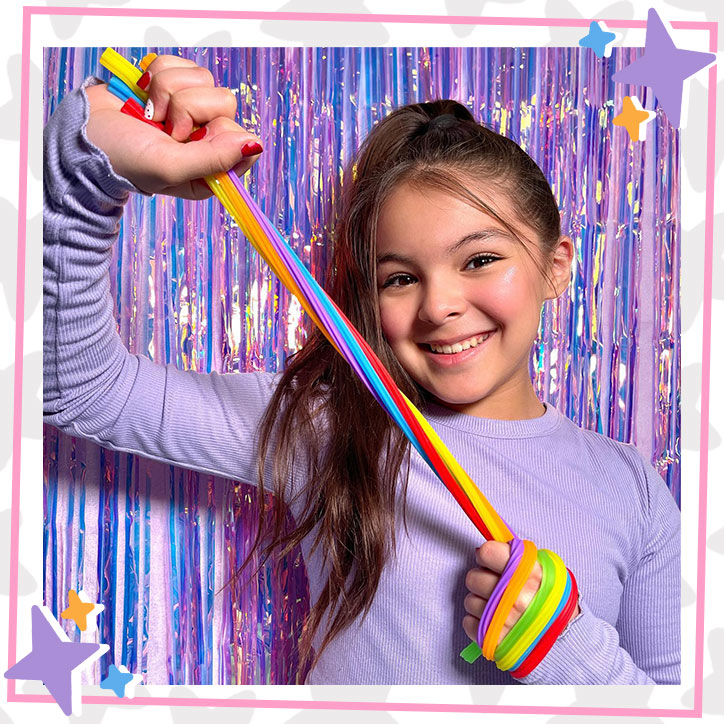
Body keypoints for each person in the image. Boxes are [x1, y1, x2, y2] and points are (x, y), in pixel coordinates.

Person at [43, 54, 681, 685]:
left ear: (556, 264)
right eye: (400, 278)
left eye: (480, 260)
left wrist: (566, 652)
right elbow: (80, 387)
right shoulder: (329, 426)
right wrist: (88, 162)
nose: (439, 306)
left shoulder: (635, 489)